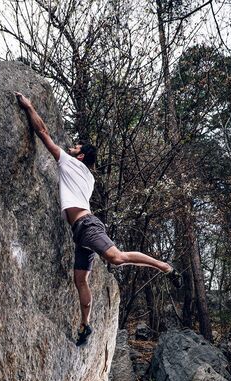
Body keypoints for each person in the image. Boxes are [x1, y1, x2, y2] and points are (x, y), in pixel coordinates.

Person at [15, 92, 179, 347]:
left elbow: (43, 133)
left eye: (76, 147)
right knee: (80, 279)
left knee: (117, 258)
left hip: (87, 226)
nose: (71, 147)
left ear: (80, 157)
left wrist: (29, 107)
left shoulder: (69, 163)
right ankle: (85, 325)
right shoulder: (88, 178)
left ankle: (163, 266)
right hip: (81, 234)